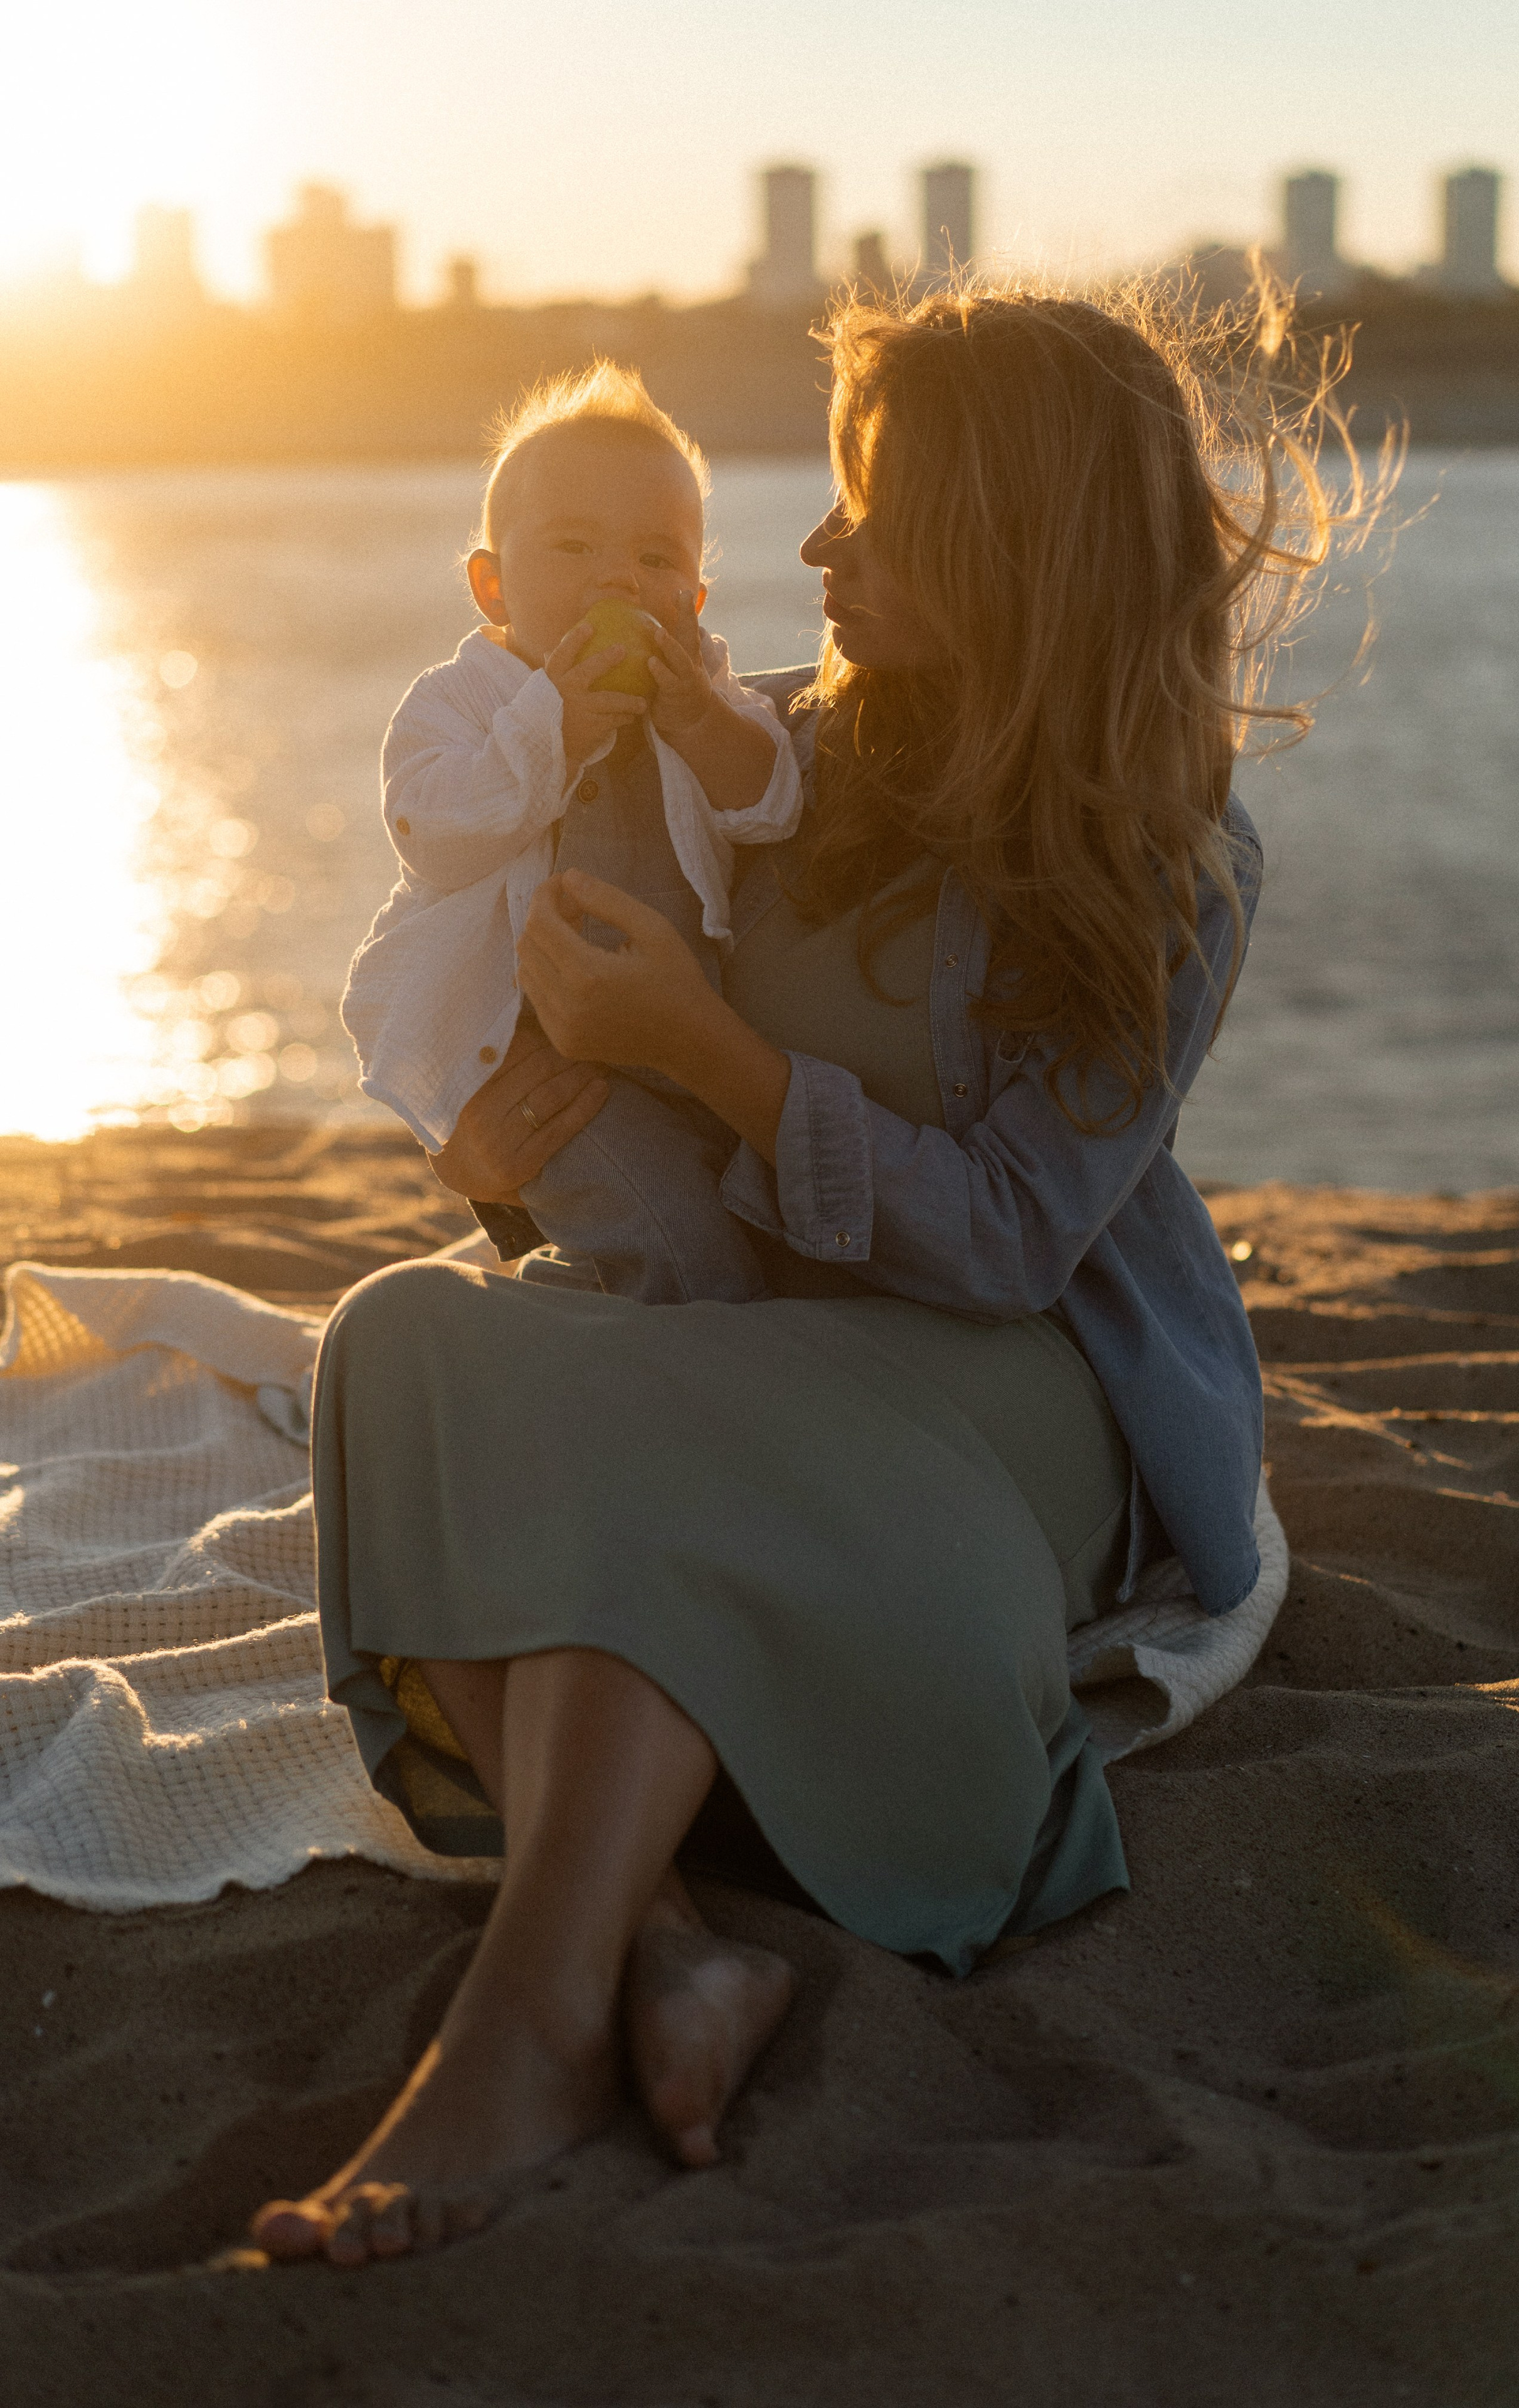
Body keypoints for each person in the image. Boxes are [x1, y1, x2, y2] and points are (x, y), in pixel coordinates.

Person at [253, 277, 1357, 2267]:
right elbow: (524, 973)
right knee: (407, 1332)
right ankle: (668, 1955)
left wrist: (712, 1050)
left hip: (1001, 1390)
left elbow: (1015, 1232)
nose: (814, 547)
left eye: (875, 510)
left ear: (1010, 549)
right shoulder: (751, 747)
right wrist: (508, 1123)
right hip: (746, 1348)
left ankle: (518, 2031)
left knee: (648, 1451)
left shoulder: (1168, 853)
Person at [342, 362, 802, 1304]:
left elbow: (773, 807)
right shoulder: (463, 701)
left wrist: (701, 728)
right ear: (493, 586)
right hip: (543, 1066)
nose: (617, 578)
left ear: (695, 599)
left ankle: (572, 1307)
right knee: (674, 1250)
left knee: (750, 1227)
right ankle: (619, 1358)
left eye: (657, 559)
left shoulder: (705, 693)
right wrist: (552, 728)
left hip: (685, 1044)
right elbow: (433, 833)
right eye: (574, 547)